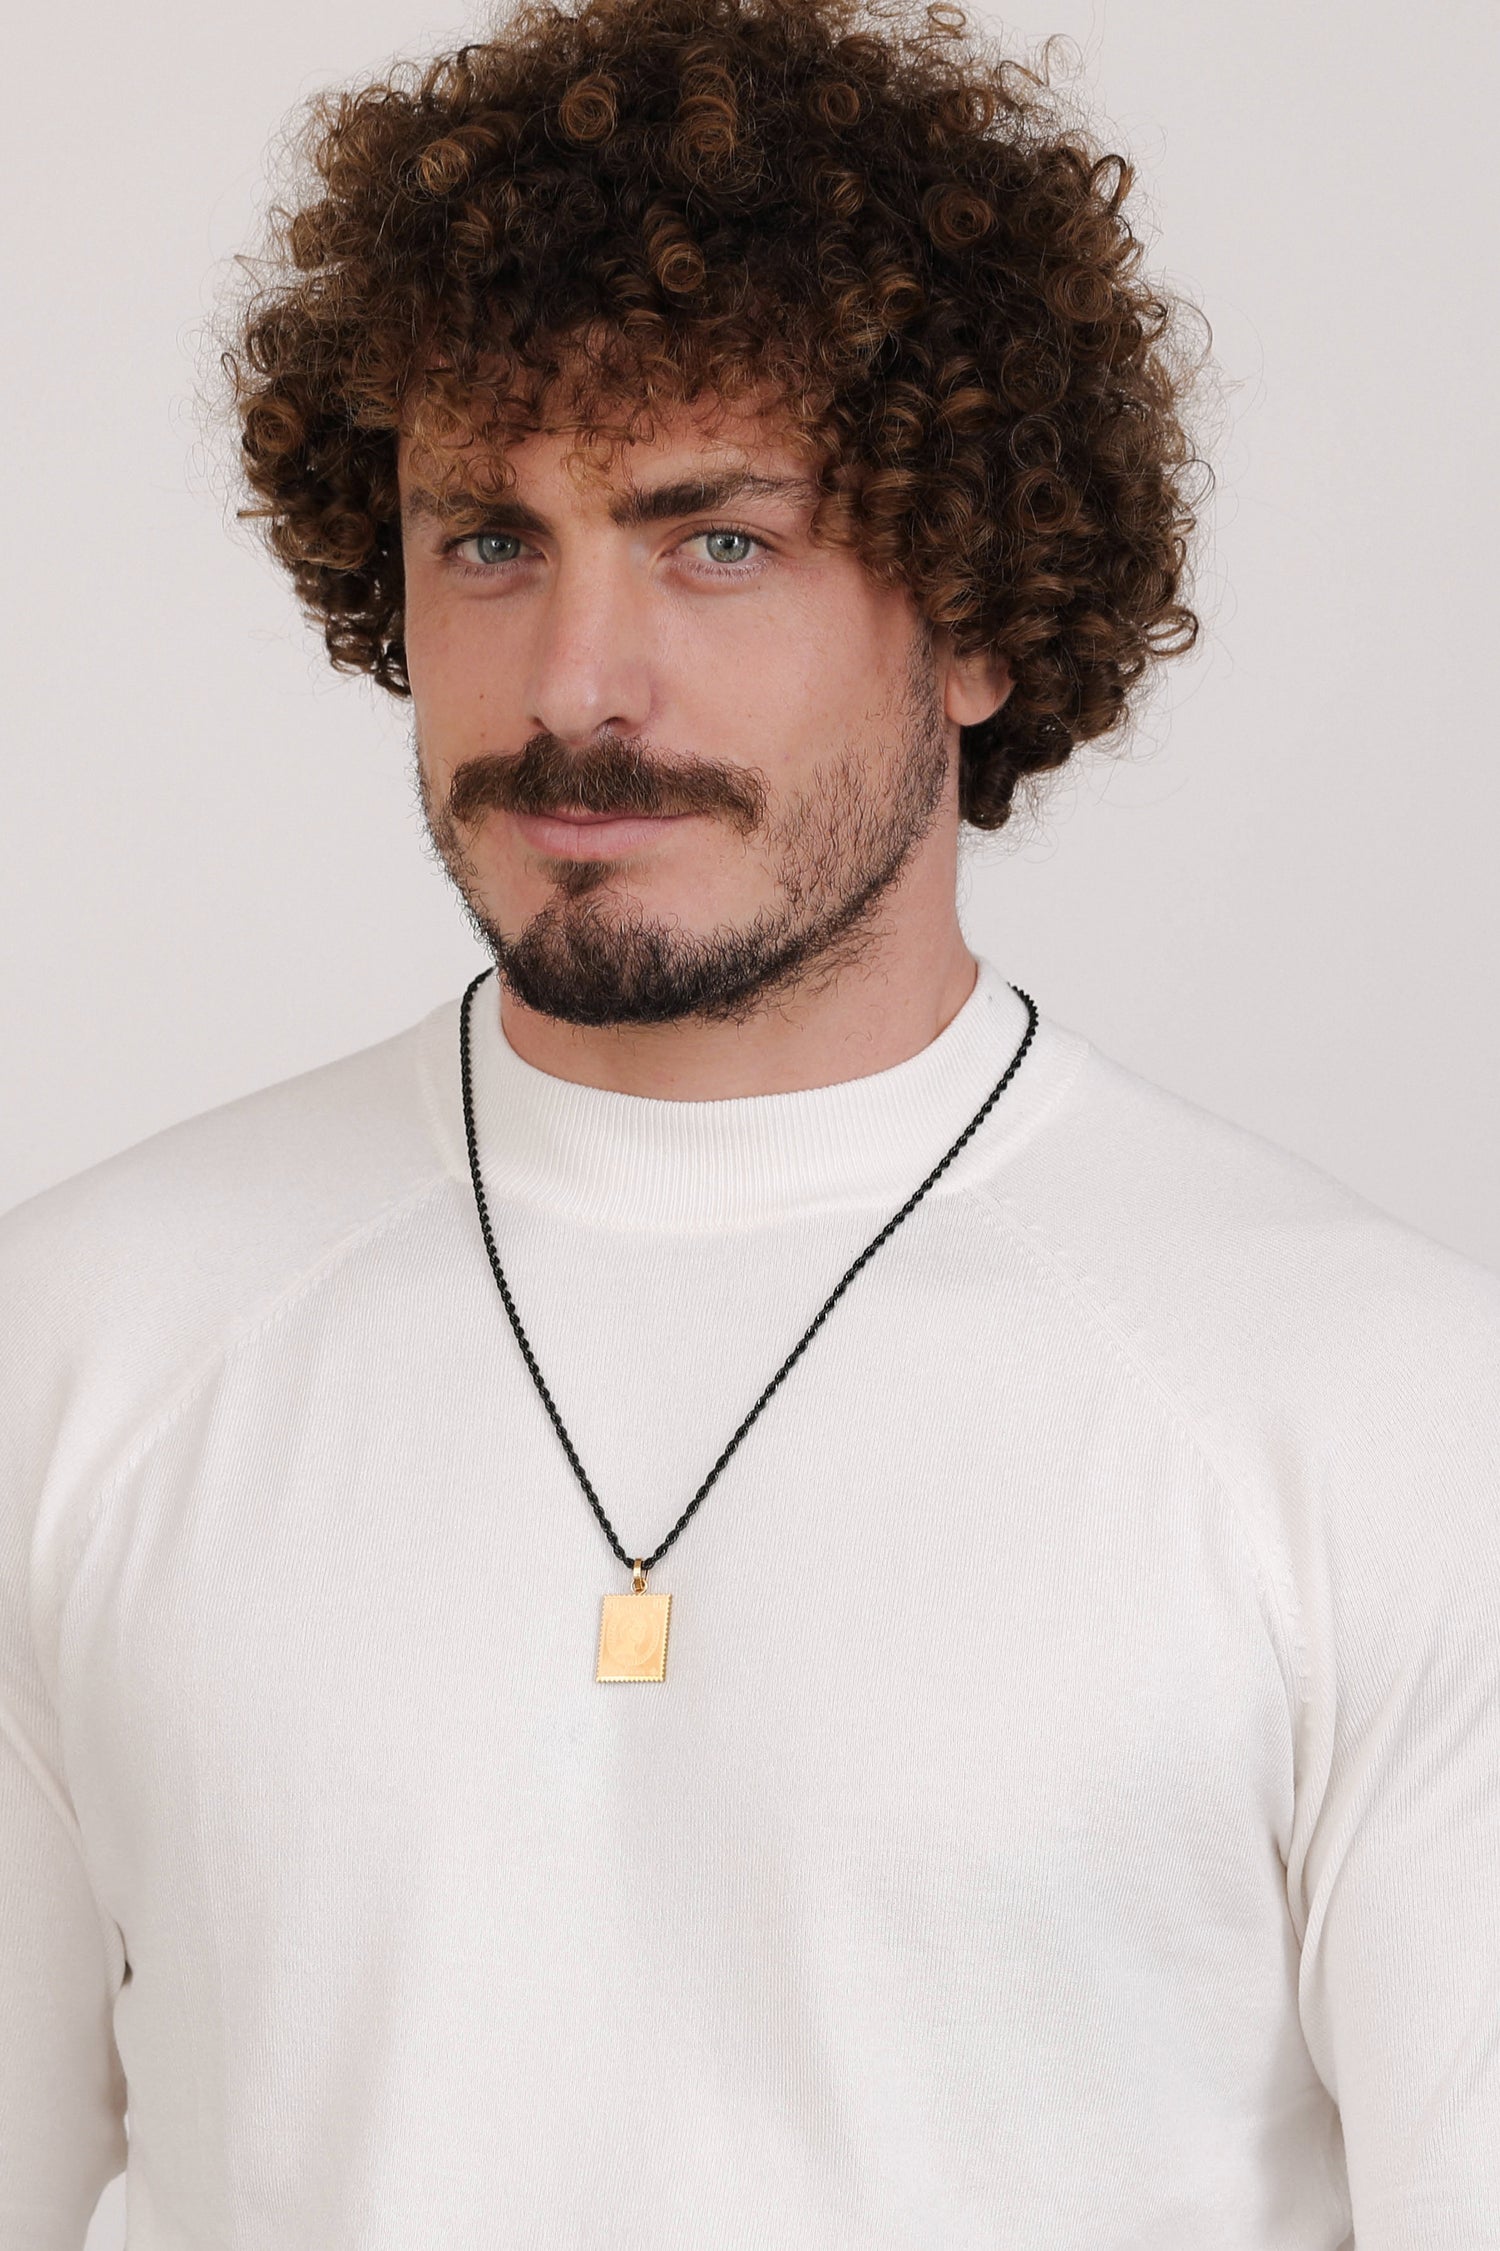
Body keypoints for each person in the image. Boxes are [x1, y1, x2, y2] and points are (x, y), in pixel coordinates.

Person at [2, 0, 1496, 2240]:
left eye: (713, 543)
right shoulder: (75, 1347)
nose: (575, 682)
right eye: (487, 540)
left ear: (979, 615)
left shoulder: (1380, 1420)